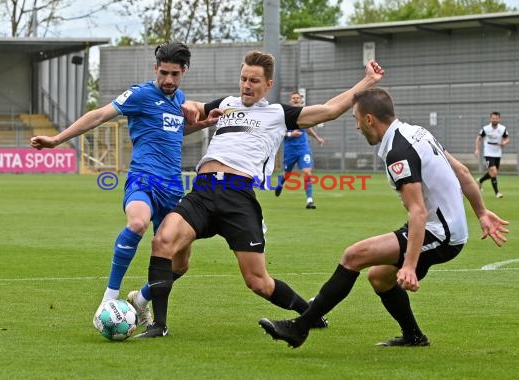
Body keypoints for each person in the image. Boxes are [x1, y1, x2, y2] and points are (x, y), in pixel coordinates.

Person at [133, 50, 385, 338]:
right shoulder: (226, 104)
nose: (246, 85)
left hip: (237, 199)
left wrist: (367, 81)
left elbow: (328, 110)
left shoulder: (278, 113)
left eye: (254, 80)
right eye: (243, 79)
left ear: (268, 85)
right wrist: (188, 105)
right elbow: (191, 109)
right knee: (162, 241)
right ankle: (159, 326)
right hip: (202, 193)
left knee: (258, 282)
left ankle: (309, 314)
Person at [259, 88, 509, 348]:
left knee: (353, 256)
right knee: (379, 277)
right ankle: (414, 337)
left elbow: (418, 211)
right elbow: (462, 170)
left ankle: (300, 327)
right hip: (442, 227)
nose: (356, 127)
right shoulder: (416, 132)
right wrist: (480, 212)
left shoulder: (397, 152)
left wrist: (410, 266)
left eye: (356, 119)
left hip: (441, 234)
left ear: (369, 119)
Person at [30, 42, 218, 328]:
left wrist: (204, 124)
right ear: (155, 68)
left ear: (184, 72)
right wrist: (57, 139)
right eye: (163, 72)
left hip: (173, 189)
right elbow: (99, 114)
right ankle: (109, 296)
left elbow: (176, 128)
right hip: (143, 178)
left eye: (174, 74)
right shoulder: (141, 94)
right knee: (138, 223)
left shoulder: (178, 97)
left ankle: (141, 299)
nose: (168, 80)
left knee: (180, 264)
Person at [275, 91, 325, 209]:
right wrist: (291, 134)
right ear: (290, 100)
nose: (296, 100)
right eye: (294, 98)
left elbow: (307, 128)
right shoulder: (285, 115)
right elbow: (278, 132)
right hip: (290, 150)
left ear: (300, 100)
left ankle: (309, 200)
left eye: (298, 98)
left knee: (307, 172)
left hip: (303, 148)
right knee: (287, 174)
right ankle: (281, 182)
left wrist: (317, 138)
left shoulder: (303, 113)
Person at [474, 111, 509, 198]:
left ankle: (480, 180)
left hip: (498, 153)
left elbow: (507, 138)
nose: (494, 120)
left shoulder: (502, 128)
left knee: (494, 172)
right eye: (493, 118)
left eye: (496, 118)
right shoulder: (486, 128)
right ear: (490, 119)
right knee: (493, 172)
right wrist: (477, 149)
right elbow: (478, 138)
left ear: (499, 119)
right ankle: (497, 193)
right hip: (488, 153)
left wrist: (504, 143)